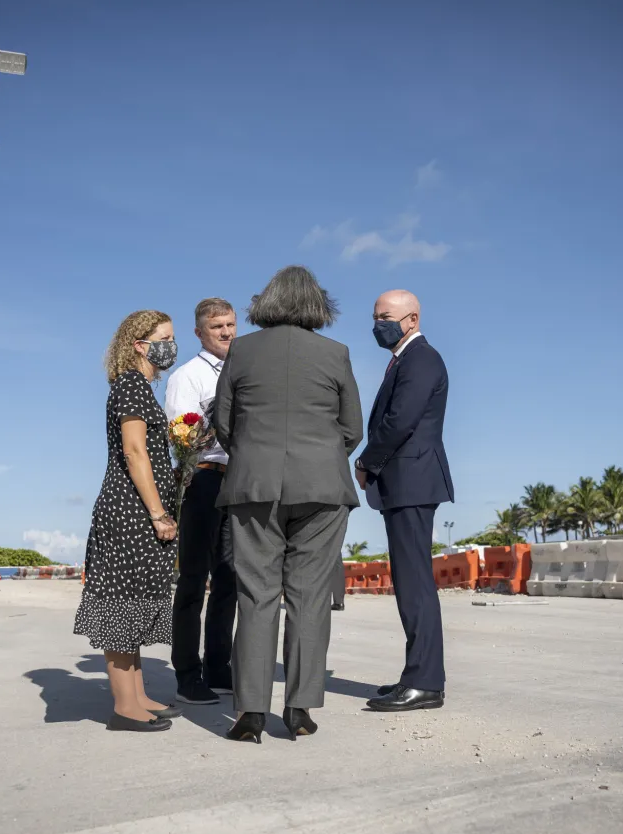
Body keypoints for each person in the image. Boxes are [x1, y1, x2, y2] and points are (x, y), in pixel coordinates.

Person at [213, 266, 363, 743]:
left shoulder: (241, 350)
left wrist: (256, 455)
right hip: (322, 486)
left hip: (253, 484)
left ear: (267, 302)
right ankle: (298, 709)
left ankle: (250, 713)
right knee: (310, 596)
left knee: (255, 595)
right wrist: (318, 455)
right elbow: (352, 429)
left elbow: (224, 422)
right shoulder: (336, 354)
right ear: (318, 305)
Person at [74, 310, 182, 733]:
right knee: (122, 604)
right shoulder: (131, 385)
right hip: (130, 512)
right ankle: (124, 706)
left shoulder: (137, 388)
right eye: (164, 338)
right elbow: (134, 452)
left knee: (135, 603)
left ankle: (137, 696)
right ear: (139, 344)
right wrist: (158, 512)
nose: (170, 346)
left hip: (135, 509)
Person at [355, 290, 454, 713]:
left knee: (415, 585)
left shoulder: (421, 359)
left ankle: (425, 683)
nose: (378, 324)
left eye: (386, 317)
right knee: (410, 583)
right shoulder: (404, 358)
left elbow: (399, 422)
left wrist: (366, 461)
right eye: (376, 316)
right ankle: (417, 674)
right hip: (406, 482)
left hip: (412, 481)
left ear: (411, 319)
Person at [164, 298, 238, 705]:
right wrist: (221, 428)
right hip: (204, 482)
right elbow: (183, 440)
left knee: (229, 579)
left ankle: (218, 666)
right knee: (193, 580)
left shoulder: (245, 371)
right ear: (199, 333)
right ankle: (187, 673)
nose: (226, 332)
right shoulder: (186, 377)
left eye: (230, 324)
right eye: (217, 327)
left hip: (240, 483)